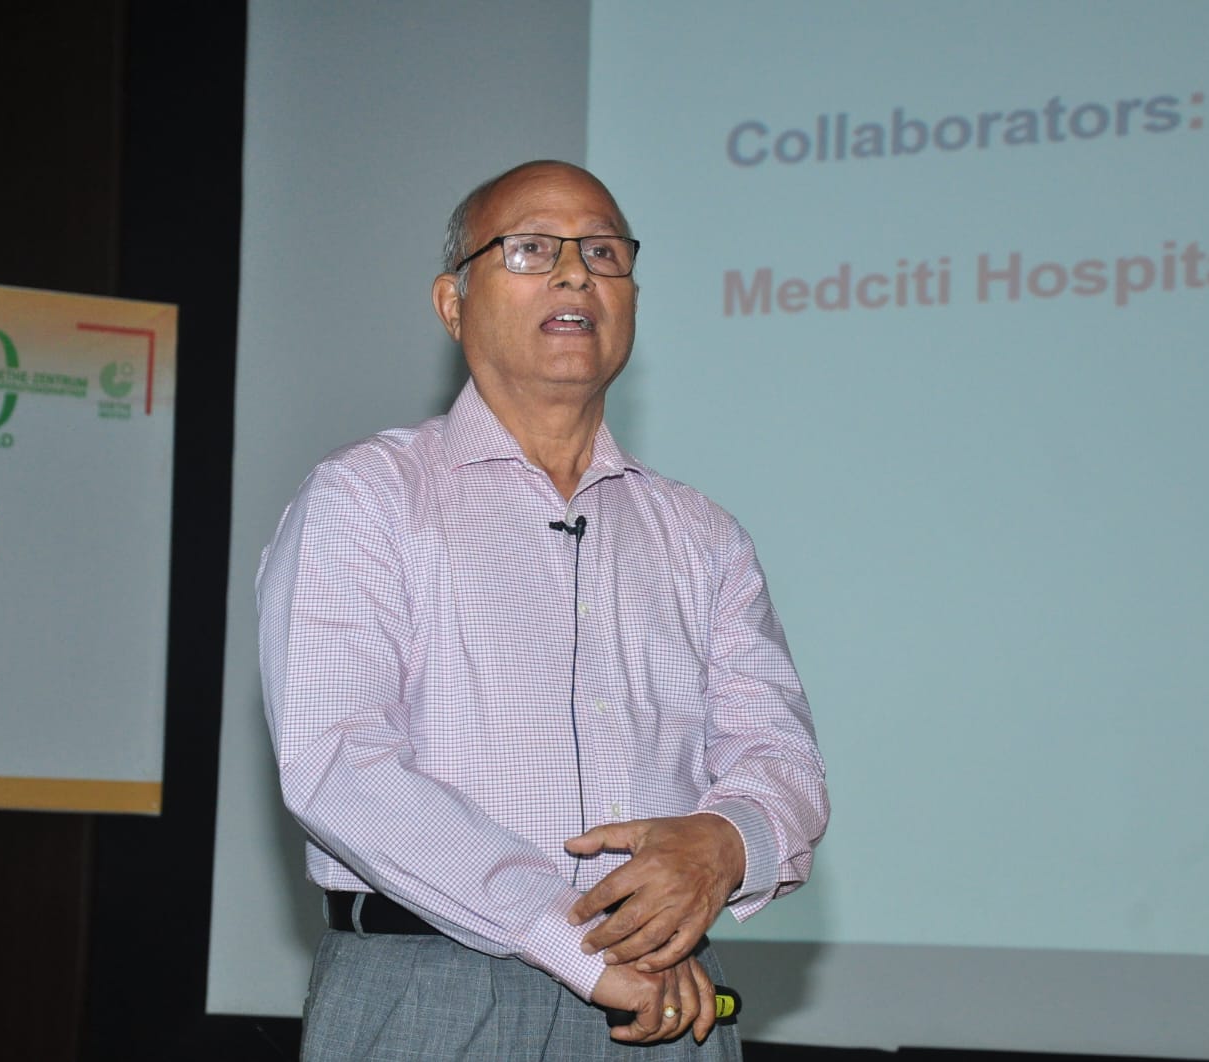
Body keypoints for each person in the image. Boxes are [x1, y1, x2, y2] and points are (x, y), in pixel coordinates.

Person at [256, 160, 827, 1059]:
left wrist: (726, 842)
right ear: (453, 303)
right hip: (433, 991)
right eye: (530, 250)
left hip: (668, 997)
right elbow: (338, 765)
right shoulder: (366, 498)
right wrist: (573, 940)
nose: (574, 275)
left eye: (603, 253)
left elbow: (781, 756)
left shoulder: (703, 536)